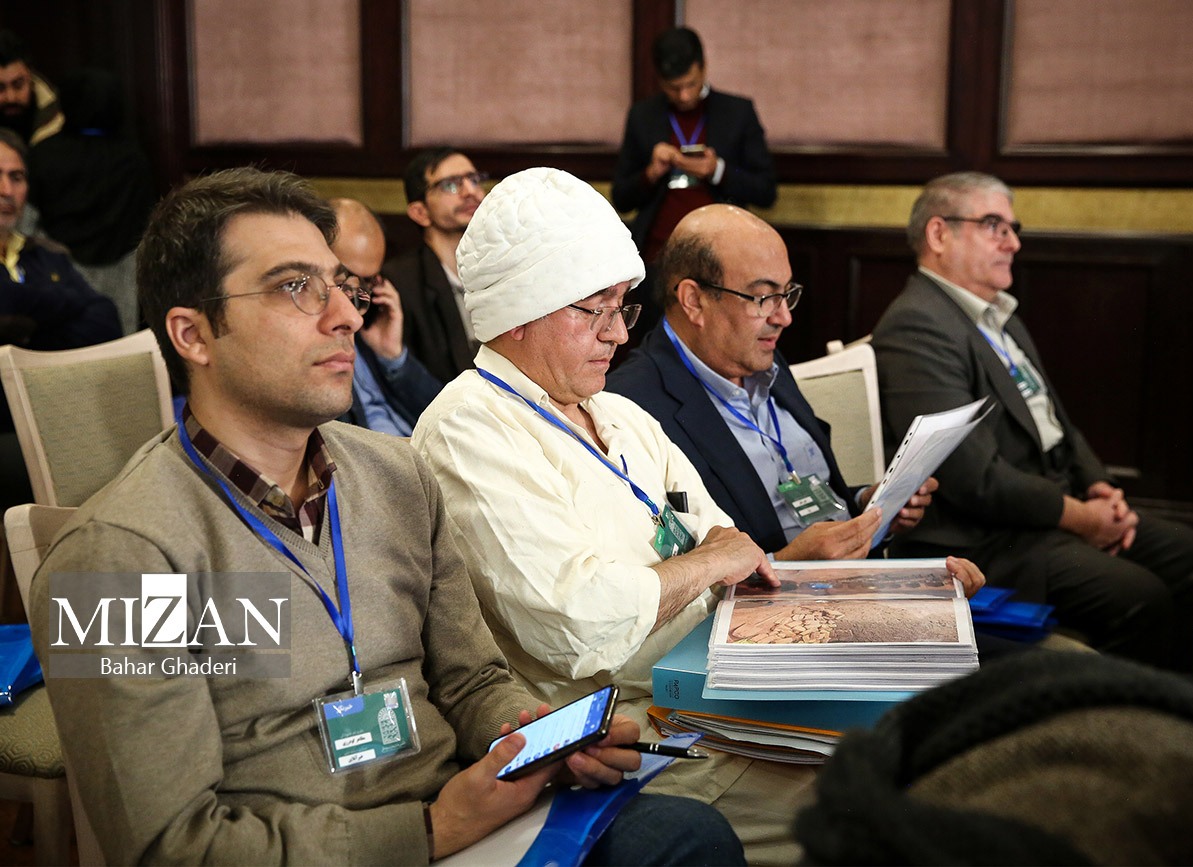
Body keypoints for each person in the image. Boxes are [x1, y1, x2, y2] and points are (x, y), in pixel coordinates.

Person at [28, 167, 743, 865]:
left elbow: (470, 683)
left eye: (340, 285)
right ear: (193, 335)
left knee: (686, 834)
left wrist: (543, 740)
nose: (346, 315)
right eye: (294, 288)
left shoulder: (394, 477)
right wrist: (431, 829)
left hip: (474, 812)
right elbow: (169, 844)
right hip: (360, 843)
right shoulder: (114, 560)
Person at [413, 167, 829, 864]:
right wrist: (706, 563)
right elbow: (581, 624)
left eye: (621, 309)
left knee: (904, 742)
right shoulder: (468, 428)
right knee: (862, 803)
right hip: (621, 740)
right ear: (519, 313)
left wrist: (709, 560)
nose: (616, 335)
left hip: (713, 692)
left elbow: (727, 537)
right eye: (592, 311)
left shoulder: (620, 414)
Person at [870, 171, 1193, 673]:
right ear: (939, 234)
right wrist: (1081, 518)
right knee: (1140, 597)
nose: (1013, 242)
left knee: (1190, 554)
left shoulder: (999, 317)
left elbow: (1057, 423)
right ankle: (1126, 718)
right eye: (994, 226)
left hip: (1045, 507)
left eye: (1013, 228)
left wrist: (1099, 487)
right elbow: (973, 478)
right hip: (991, 537)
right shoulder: (917, 324)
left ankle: (1178, 709)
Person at [607, 204, 965, 570]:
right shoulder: (630, 405)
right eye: (764, 298)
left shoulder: (763, 360)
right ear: (694, 301)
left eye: (786, 293)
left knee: (964, 580)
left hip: (853, 579)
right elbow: (659, 577)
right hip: (768, 602)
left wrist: (865, 506)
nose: (784, 317)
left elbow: (806, 495)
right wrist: (786, 564)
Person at [0, 127, 122, 511]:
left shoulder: (47, 254)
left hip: (59, 417)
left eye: (16, 177)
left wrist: (25, 326)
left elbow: (106, 320)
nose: (6, 190)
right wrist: (62, 311)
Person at [612, 26, 776, 268]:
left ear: (703, 67)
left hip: (723, 251)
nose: (684, 96)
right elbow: (621, 198)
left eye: (691, 84)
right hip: (658, 251)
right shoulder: (643, 116)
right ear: (659, 80)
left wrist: (717, 170)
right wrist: (651, 173)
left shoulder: (737, 112)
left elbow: (766, 191)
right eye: (673, 88)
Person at [27, 67, 155, 332]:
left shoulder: (43, 155)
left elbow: (27, 223)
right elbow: (146, 225)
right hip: (121, 277)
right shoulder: (133, 159)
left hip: (56, 277)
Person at [328, 197, 442, 434]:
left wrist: (394, 356)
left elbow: (445, 415)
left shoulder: (376, 321)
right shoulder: (312, 336)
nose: (357, 296)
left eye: (368, 281)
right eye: (345, 279)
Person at [384, 147, 485, 383]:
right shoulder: (400, 282)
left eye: (473, 179)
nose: (470, 191)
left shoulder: (505, 264)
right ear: (420, 212)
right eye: (451, 185)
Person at [0, 30, 62, 147]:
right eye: (0, 88)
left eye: (18, 85)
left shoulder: (59, 121)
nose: (11, 97)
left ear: (31, 79)